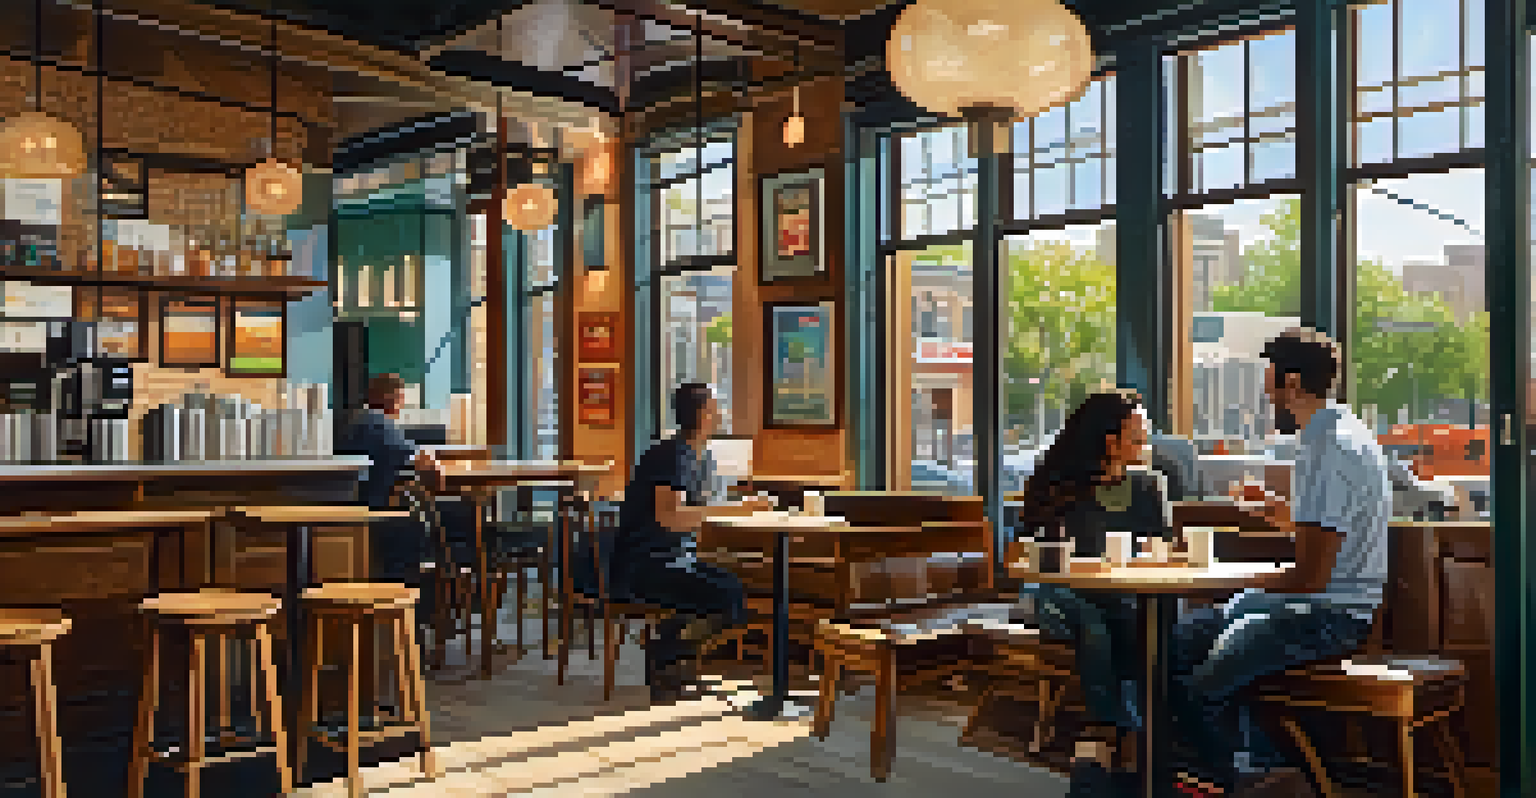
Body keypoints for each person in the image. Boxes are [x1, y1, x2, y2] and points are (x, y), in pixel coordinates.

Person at [1169, 328, 1389, 797]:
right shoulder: (1341, 432)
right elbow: (1332, 535)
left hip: (1328, 618)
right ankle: (1220, 770)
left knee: (1198, 689)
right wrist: (1282, 516)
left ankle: (1263, 778)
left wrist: (1240, 580)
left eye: (1268, 378)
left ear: (1290, 382)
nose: (1264, 391)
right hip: (1317, 608)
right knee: (1174, 647)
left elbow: (1311, 577)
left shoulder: (1327, 447)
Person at [1015, 389, 1175, 797]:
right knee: (1094, 626)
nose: (1146, 446)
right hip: (1058, 594)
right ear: (1109, 440)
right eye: (1138, 438)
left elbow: (1164, 549)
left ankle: (1117, 749)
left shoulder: (1149, 488)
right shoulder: (1057, 483)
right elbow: (1017, 551)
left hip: (1120, 594)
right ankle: (1114, 730)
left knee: (1140, 625)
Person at [611, 383, 772, 702]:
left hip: (676, 558)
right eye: (716, 407)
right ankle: (666, 655)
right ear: (703, 415)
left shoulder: (703, 456)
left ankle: (668, 656)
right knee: (727, 593)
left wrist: (742, 503)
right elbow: (670, 517)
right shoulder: (670, 456)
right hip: (645, 565)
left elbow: (704, 506)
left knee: (734, 590)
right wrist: (735, 509)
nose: (722, 413)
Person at [335, 373, 455, 581]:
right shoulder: (377, 423)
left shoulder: (361, 420)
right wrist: (434, 465)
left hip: (362, 507)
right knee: (457, 515)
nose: (402, 406)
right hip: (373, 513)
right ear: (393, 399)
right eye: (401, 399)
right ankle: (459, 589)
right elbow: (424, 463)